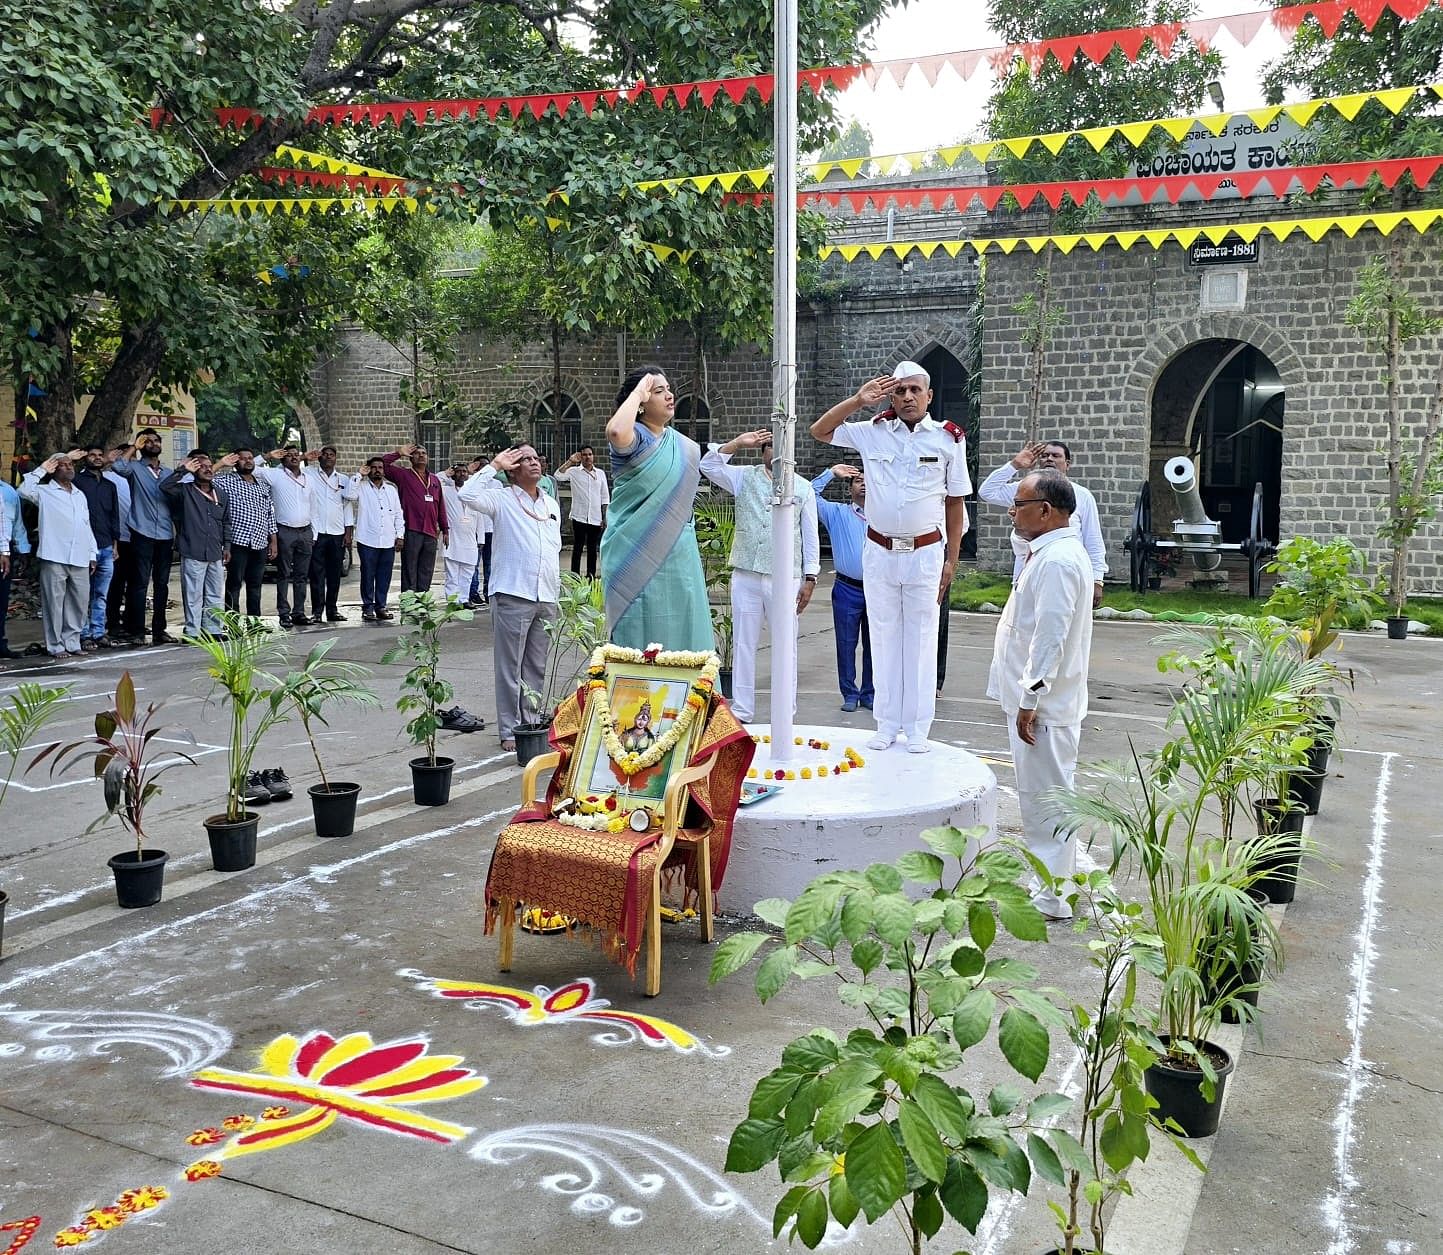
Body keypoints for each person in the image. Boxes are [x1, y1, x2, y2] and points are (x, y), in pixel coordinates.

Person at [811, 361, 971, 754]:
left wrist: (952, 558)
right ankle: (885, 723)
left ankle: (918, 726)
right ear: (890, 396)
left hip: (925, 552)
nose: (907, 397)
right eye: (899, 391)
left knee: (920, 637)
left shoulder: (948, 439)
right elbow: (820, 431)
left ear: (929, 395)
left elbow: (954, 501)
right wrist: (857, 400)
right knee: (882, 637)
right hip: (880, 550)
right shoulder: (873, 432)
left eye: (915, 390)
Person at [987, 470, 1094, 921]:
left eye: (1020, 504)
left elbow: (1049, 637)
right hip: (1038, 701)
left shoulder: (1058, 562)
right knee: (1038, 796)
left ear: (1047, 511)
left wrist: (1030, 697)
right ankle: (1048, 881)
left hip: (1045, 705)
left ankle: (1054, 895)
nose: (1012, 511)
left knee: (1047, 798)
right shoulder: (1047, 552)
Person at [700, 429, 820, 724]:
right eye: (769, 447)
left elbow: (810, 536)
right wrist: (737, 443)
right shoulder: (744, 477)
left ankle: (785, 709)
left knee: (785, 642)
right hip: (746, 573)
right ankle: (742, 707)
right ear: (762, 451)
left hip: (785, 576)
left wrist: (810, 577)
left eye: (782, 448)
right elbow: (708, 466)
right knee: (744, 641)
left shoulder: (803, 488)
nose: (776, 454)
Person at [600, 366, 711, 652]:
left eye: (668, 389)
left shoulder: (683, 446)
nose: (669, 395)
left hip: (678, 556)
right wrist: (638, 391)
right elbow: (614, 430)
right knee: (638, 637)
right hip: (633, 555)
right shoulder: (635, 438)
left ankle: (689, 698)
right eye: (658, 391)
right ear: (639, 405)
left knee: (684, 640)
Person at [460, 445, 562, 752]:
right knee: (510, 666)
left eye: (535, 458)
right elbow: (467, 495)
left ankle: (529, 723)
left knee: (536, 666)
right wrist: (494, 465)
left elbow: (552, 550)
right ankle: (508, 729)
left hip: (546, 594)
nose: (533, 463)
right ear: (512, 469)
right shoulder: (501, 499)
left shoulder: (550, 504)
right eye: (524, 460)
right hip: (513, 592)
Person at [978, 440, 1108, 607]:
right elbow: (987, 492)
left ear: (1067, 464)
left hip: (1064, 570)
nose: (1049, 459)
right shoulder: (1025, 490)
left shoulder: (1082, 495)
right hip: (1027, 571)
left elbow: (1093, 540)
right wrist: (1015, 464)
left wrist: (1097, 580)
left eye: (1055, 456)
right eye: (1045, 456)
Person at [20, 454, 97, 659]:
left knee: (79, 602)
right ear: (54, 469)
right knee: (54, 603)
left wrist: (92, 553)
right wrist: (42, 468)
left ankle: (72, 641)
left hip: (80, 555)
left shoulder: (79, 494)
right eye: (62, 465)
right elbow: (23, 490)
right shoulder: (45, 492)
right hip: (55, 555)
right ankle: (55, 645)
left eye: (70, 464)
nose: (68, 468)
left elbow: (86, 525)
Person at [811, 463, 873, 713]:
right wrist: (830, 473)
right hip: (847, 588)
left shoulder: (886, 515)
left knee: (875, 644)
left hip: (878, 589)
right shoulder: (837, 513)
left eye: (869, 481)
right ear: (850, 489)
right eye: (859, 481)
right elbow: (808, 494)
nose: (865, 485)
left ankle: (870, 693)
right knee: (846, 643)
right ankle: (849, 692)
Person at [108, 431, 178, 645]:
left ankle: (159, 630)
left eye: (156, 441)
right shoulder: (135, 468)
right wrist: (134, 447)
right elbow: (118, 466)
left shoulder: (168, 472)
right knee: (139, 583)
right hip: (141, 531)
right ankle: (137, 630)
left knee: (162, 584)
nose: (153, 444)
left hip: (165, 533)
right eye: (148, 441)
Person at [162, 452, 231, 639]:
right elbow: (164, 486)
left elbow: (226, 522)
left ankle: (213, 630)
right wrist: (183, 469)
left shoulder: (221, 494)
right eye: (202, 466)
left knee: (215, 594)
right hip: (193, 549)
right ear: (194, 470)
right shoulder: (185, 491)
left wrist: (227, 547)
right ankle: (192, 631)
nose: (208, 469)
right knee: (193, 594)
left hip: (216, 551)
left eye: (210, 466)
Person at [256, 445, 316, 627]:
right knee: (283, 574)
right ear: (282, 459)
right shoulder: (275, 475)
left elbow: (313, 507)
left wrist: (315, 532)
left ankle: (299, 612)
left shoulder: (309, 478)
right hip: (285, 531)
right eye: (288, 455)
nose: (293, 458)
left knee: (302, 575)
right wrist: (267, 455)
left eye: (296, 455)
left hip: (305, 531)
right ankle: (284, 613)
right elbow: (254, 468)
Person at [213, 448, 276, 618]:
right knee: (234, 583)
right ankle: (233, 624)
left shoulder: (262, 484)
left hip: (260, 542)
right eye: (243, 459)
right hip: (238, 542)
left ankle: (254, 622)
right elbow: (203, 476)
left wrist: (273, 541)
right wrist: (220, 464)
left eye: (250, 458)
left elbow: (269, 513)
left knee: (255, 584)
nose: (248, 461)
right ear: (235, 462)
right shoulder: (226, 481)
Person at [71, 446, 121, 652]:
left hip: (106, 546)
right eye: (93, 455)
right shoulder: (77, 483)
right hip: (84, 547)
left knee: (101, 593)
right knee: (84, 592)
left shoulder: (109, 485)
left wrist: (115, 544)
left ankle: (98, 631)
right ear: (85, 458)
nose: (97, 458)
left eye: (100, 455)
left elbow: (114, 516)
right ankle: (83, 633)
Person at [381, 443, 449, 593]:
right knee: (410, 570)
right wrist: (399, 453)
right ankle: (409, 605)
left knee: (426, 570)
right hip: (412, 529)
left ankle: (422, 604)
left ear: (428, 457)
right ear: (411, 458)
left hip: (431, 532)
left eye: (424, 453)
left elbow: (440, 506)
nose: (421, 455)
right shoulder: (403, 475)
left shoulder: (435, 480)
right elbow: (383, 464)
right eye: (417, 453)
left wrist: (445, 529)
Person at [305, 445, 358, 623]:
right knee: (316, 574)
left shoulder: (343, 479)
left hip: (337, 532)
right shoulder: (310, 474)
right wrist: (305, 456)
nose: (328, 457)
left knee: (334, 574)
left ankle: (332, 610)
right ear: (319, 458)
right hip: (317, 532)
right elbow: (287, 469)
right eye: (325, 455)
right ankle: (317, 612)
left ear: (336, 459)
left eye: (332, 455)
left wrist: (348, 532)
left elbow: (347, 506)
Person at [352, 456, 405, 622]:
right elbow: (349, 495)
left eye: (380, 467)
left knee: (384, 575)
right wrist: (359, 474)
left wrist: (400, 535)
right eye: (373, 467)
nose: (377, 470)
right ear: (368, 469)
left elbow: (398, 514)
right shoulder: (360, 487)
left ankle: (381, 606)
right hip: (367, 539)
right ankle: (367, 607)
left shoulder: (391, 490)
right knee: (368, 574)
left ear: (384, 470)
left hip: (388, 540)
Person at [553, 446, 610, 578]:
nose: (587, 457)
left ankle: (590, 576)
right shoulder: (574, 471)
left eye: (590, 454)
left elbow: (605, 496)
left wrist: (605, 516)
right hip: (579, 516)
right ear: (581, 456)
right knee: (577, 548)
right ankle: (575, 577)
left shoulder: (600, 473)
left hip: (595, 517)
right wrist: (570, 461)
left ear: (593, 456)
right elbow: (558, 475)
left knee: (592, 549)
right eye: (584, 455)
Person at [440, 464, 482, 603]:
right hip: (452, 538)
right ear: (453, 474)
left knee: (468, 573)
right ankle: (453, 601)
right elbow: (434, 480)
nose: (462, 474)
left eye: (464, 471)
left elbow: (480, 517)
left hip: (470, 540)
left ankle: (464, 600)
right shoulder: (445, 491)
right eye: (458, 472)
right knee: (452, 574)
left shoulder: (473, 492)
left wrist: (480, 539)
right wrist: (445, 473)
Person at [103, 453, 133, 645]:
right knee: (115, 583)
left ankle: (131, 623)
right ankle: (113, 623)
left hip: (137, 536)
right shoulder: (106, 477)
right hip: (118, 538)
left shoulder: (137, 476)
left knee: (136, 583)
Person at [0, 478, 30, 659]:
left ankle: (1, 645)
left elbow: (15, 523)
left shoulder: (8, 491)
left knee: (2, 601)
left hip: (4, 549)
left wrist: (22, 549)